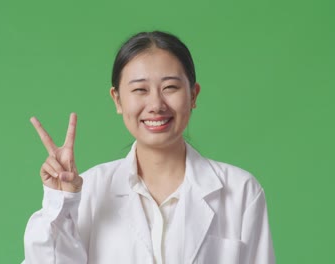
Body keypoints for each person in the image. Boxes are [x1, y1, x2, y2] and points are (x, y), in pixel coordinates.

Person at [22, 31, 275, 264]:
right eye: (140, 90)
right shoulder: (88, 191)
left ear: (194, 95)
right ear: (117, 99)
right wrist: (61, 202)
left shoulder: (240, 191)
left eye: (170, 88)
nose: (156, 104)